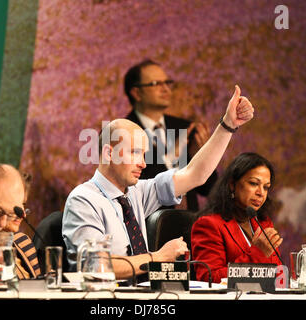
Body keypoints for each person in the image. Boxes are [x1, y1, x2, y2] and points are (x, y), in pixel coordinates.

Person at [63, 83, 254, 280]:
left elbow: (195, 174)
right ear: (108, 153)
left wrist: (228, 125)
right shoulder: (83, 200)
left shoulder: (137, 192)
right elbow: (95, 267)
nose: (143, 164)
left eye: (143, 154)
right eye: (135, 153)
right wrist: (158, 257)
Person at [124, 59, 218, 211]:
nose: (166, 89)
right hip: (148, 227)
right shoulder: (120, 133)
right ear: (136, 93)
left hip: (190, 225)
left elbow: (209, 189)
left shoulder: (185, 128)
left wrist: (202, 156)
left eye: (167, 82)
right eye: (156, 84)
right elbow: (131, 189)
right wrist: (173, 157)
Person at [191, 152, 283, 284]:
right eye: (253, 183)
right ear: (232, 185)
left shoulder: (263, 223)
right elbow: (210, 278)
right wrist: (258, 253)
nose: (261, 193)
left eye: (266, 187)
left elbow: (278, 274)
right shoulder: (208, 225)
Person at [2, 173, 41, 279]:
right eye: (15, 205)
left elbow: (39, 285)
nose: (22, 214)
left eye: (23, 205)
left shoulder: (23, 241)